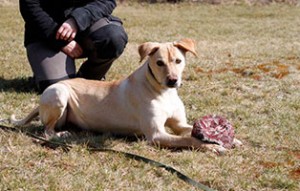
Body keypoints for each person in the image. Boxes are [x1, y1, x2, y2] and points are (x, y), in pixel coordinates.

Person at [19, 0, 128, 93]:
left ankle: (90, 76)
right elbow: (29, 6)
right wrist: (60, 41)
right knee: (59, 89)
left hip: (87, 22)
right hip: (45, 33)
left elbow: (107, 1)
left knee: (114, 38)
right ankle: (42, 77)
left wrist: (76, 20)